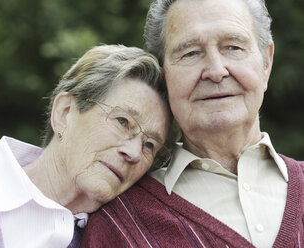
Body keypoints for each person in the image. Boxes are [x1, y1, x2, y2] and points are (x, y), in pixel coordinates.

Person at [80, 0, 304, 247]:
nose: (216, 71)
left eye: (233, 47)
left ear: (266, 63)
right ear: (164, 75)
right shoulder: (119, 226)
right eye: (190, 53)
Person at [0, 44, 178, 247]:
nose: (134, 152)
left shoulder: (121, 237)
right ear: (64, 113)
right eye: (123, 121)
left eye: (149, 145)